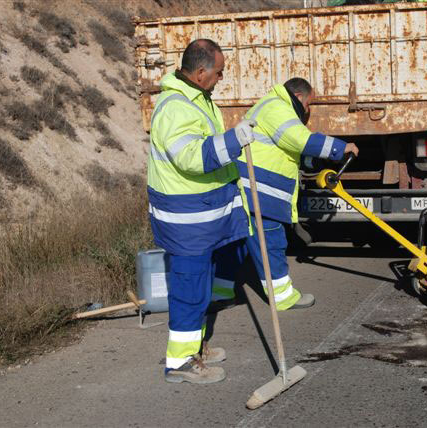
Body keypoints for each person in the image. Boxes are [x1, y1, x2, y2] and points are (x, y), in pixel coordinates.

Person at [147, 39, 257, 384]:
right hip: (186, 220)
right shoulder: (176, 108)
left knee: (201, 283)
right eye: (219, 72)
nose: (221, 78)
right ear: (200, 72)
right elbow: (192, 158)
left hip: (201, 215)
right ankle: (179, 361)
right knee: (189, 287)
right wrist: (233, 141)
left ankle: (195, 345)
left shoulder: (199, 98)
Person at [210, 78, 359, 311]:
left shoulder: (269, 105)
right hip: (260, 191)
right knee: (271, 242)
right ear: (299, 97)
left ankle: (220, 293)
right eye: (309, 104)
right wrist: (341, 148)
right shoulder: (278, 108)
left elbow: (282, 147)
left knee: (235, 244)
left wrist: (310, 161)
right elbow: (300, 140)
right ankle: (282, 297)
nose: (308, 111)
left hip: (245, 188)